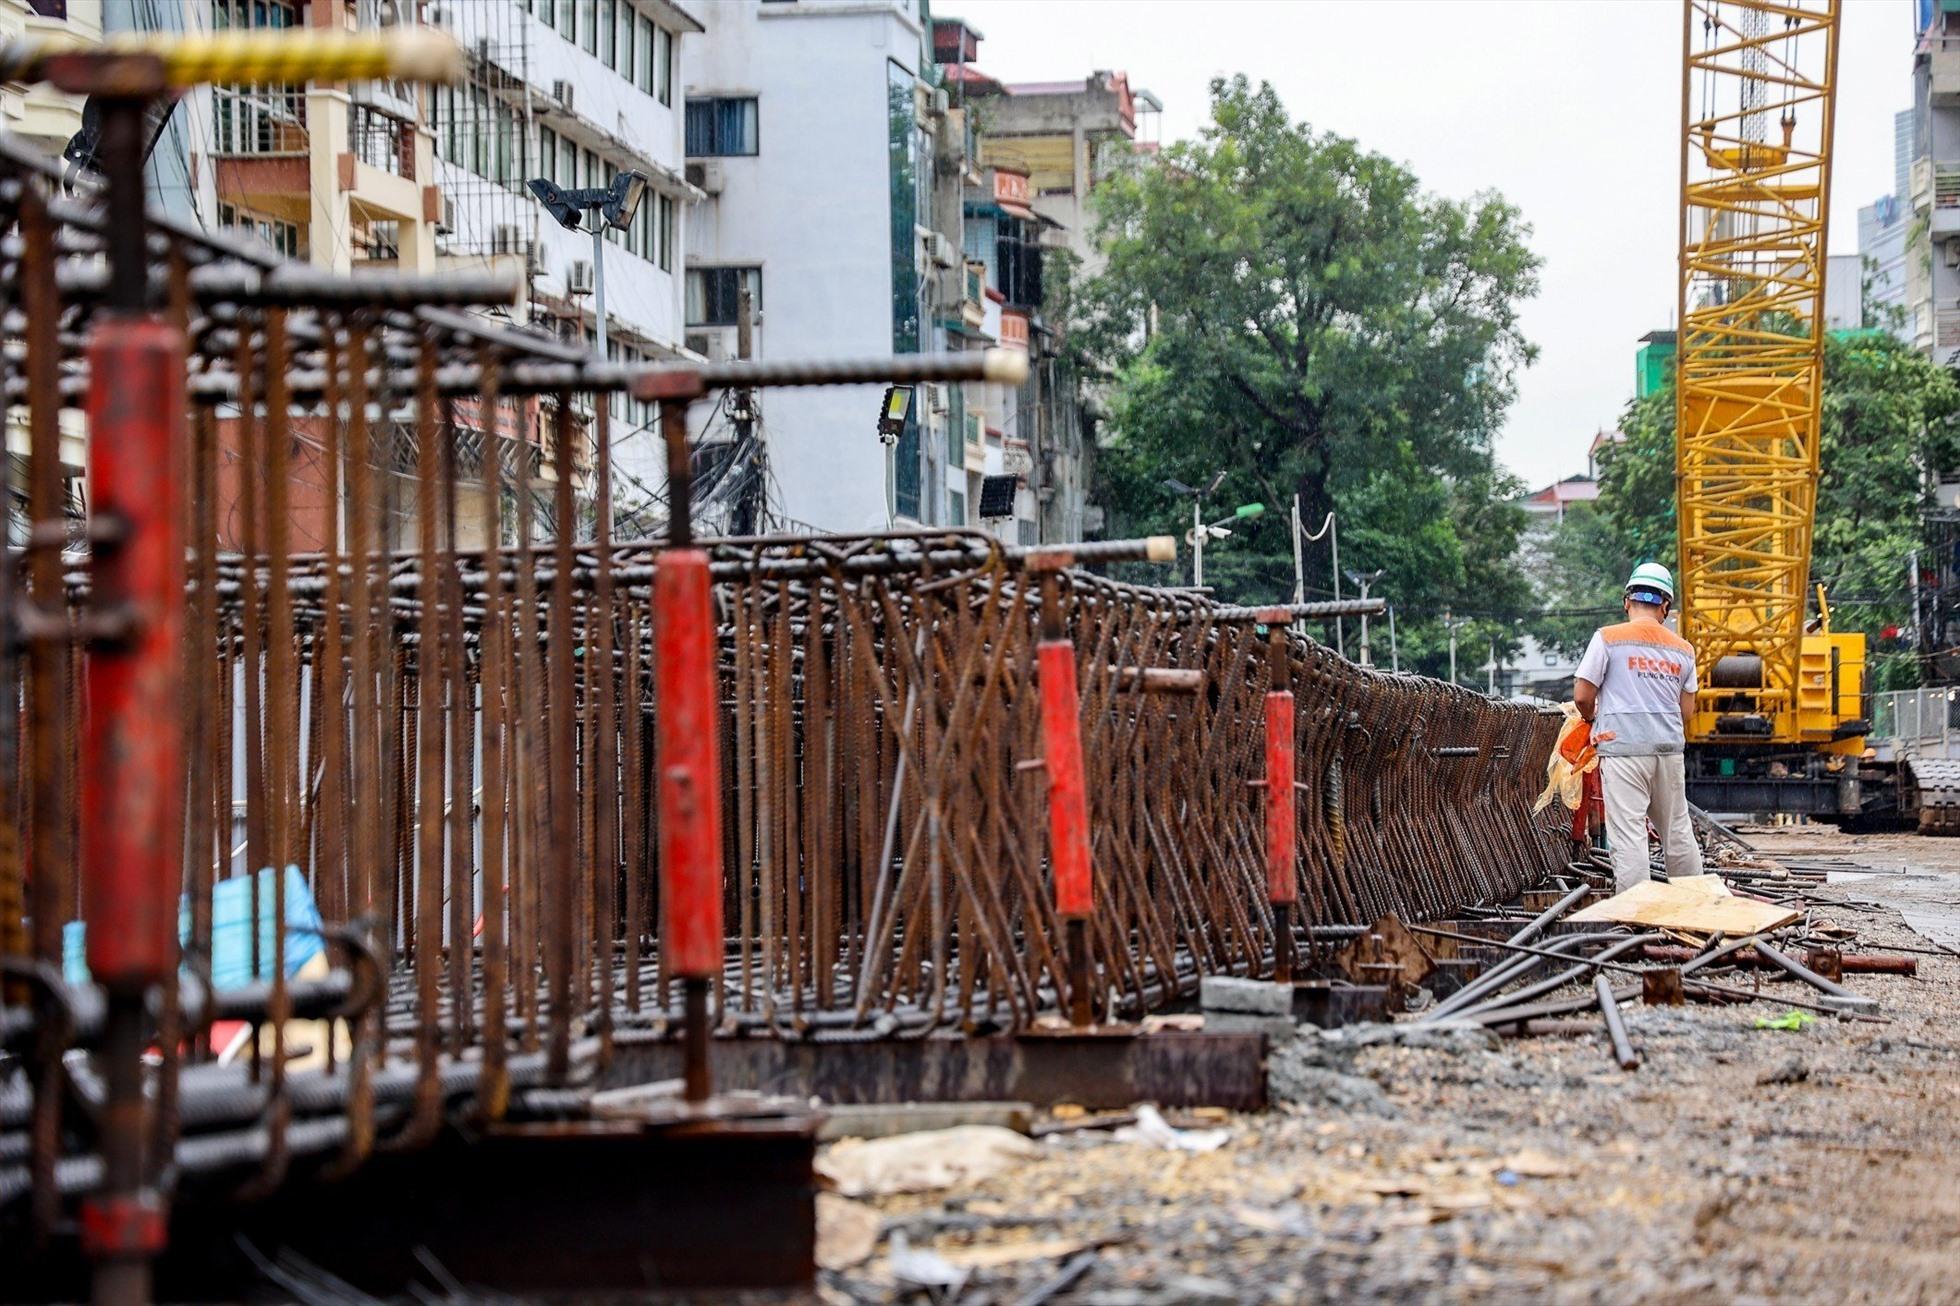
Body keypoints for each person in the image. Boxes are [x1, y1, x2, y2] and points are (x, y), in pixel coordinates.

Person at [1572, 562, 1704, 893]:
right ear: (1665, 606)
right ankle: (1695, 905)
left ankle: (1635, 917)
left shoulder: (1607, 638)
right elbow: (1686, 711)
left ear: (1627, 601)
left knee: (1629, 835)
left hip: (1623, 751)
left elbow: (1583, 696)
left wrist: (1592, 720)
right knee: (1677, 830)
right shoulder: (1683, 649)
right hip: (1668, 752)